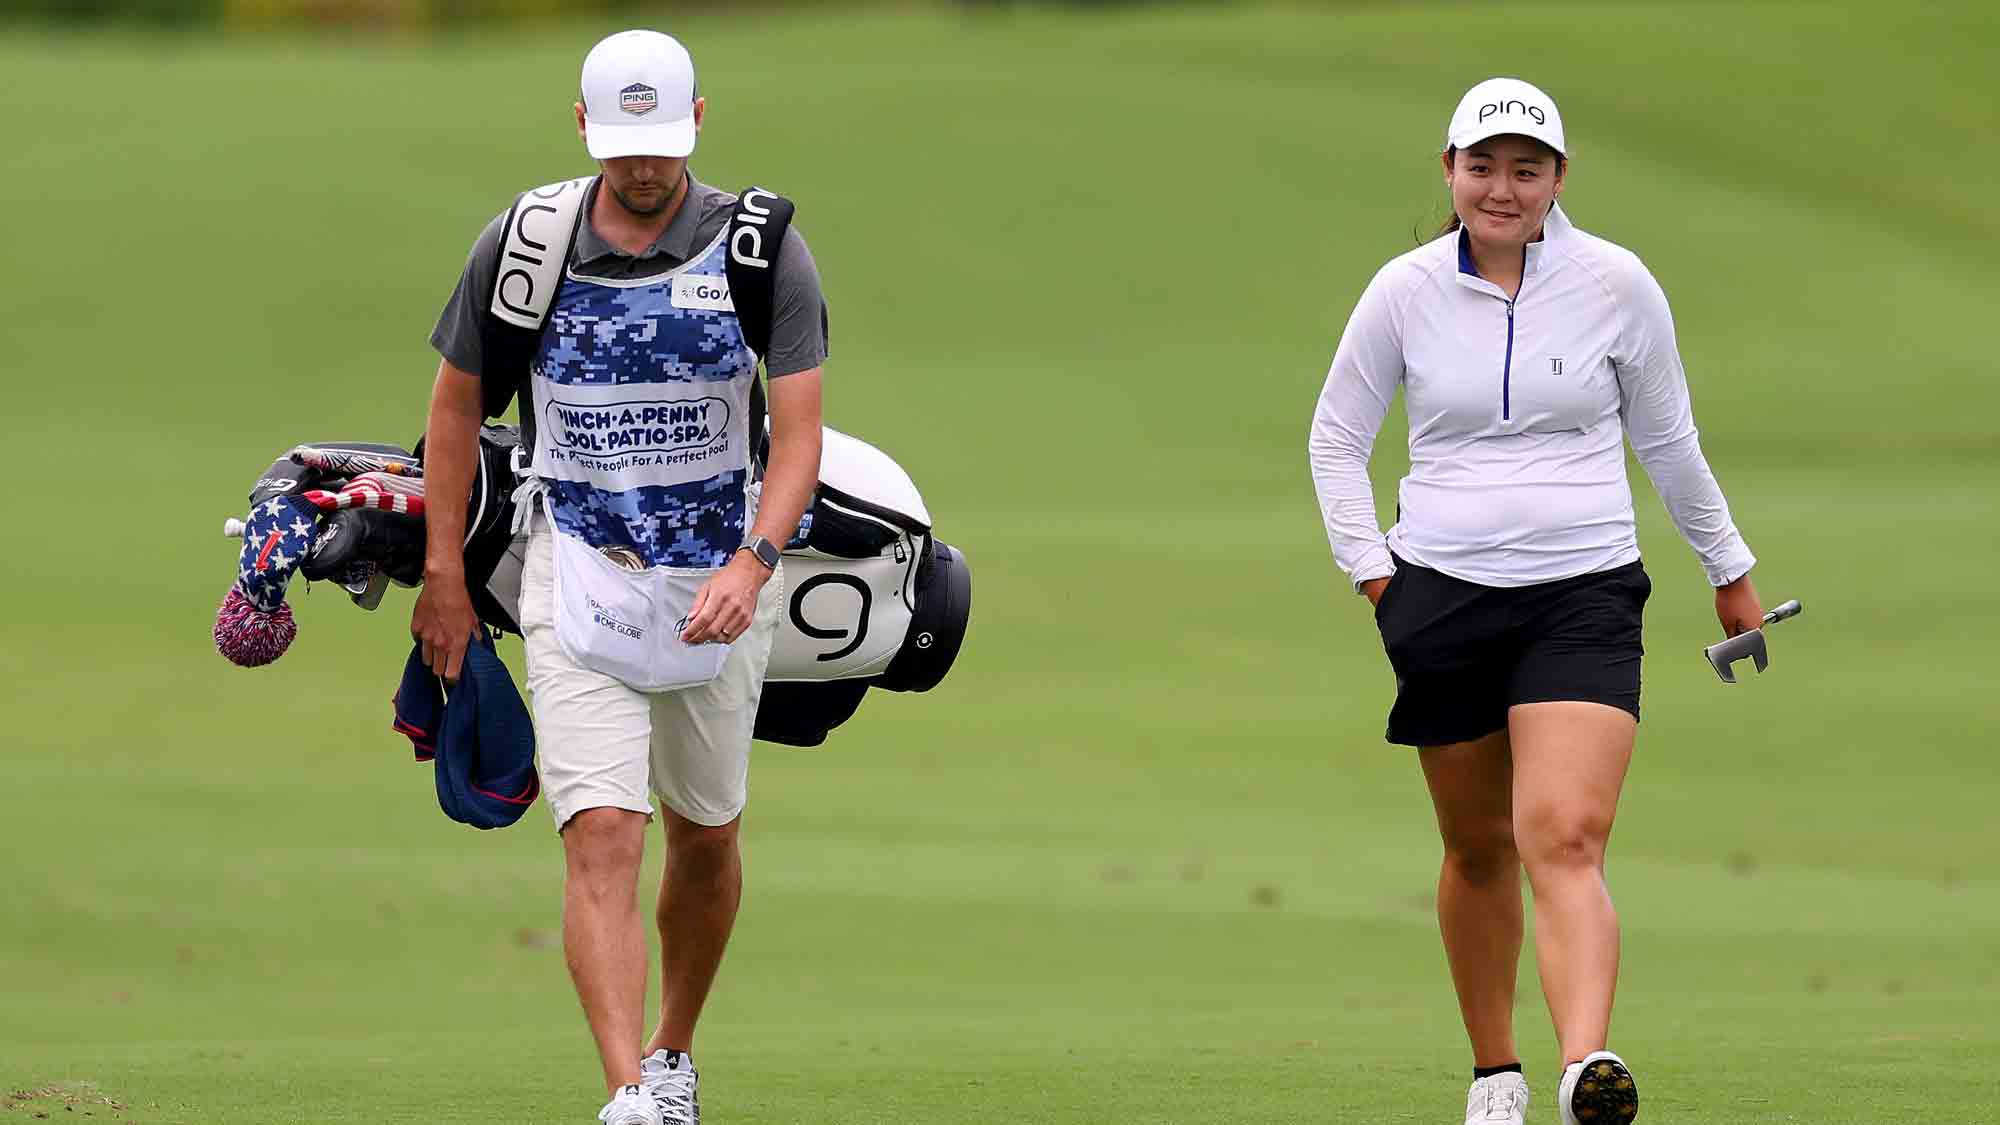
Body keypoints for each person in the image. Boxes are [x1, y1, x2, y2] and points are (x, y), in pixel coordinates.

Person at [1308, 77, 1765, 1125]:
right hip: (1438, 592)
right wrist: (1373, 576)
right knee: (1477, 847)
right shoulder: (1403, 291)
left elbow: (1666, 439)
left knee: (1561, 833)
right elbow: (1336, 437)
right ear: (1448, 171)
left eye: (1525, 169)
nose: (1501, 188)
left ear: (1558, 179)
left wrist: (1726, 569)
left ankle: (1581, 1070)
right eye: (1482, 166)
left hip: (1584, 589)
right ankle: (1494, 1074)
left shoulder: (1615, 285)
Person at [411, 29, 826, 1125]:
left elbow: (797, 437)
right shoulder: (525, 246)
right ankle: (629, 1094)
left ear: (697, 121)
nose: (641, 170)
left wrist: (754, 560)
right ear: (584, 131)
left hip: (719, 582)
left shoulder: (759, 248)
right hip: (577, 567)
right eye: (619, 147)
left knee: (705, 831)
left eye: (659, 143)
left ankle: (674, 1049)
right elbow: (455, 409)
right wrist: (443, 573)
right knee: (601, 828)